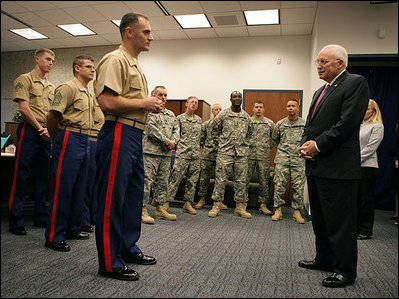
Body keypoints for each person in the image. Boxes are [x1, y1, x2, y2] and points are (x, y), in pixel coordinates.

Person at [94, 13, 162, 281]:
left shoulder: (134, 64)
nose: (151, 37)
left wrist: (147, 106)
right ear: (129, 32)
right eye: (146, 32)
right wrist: (144, 103)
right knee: (112, 200)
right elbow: (107, 102)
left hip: (134, 135)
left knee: (133, 199)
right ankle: (110, 262)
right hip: (118, 132)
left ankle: (127, 248)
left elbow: (128, 101)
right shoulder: (115, 60)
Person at [298, 44, 369, 288]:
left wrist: (317, 146)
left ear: (341, 64)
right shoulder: (320, 91)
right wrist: (304, 145)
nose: (319, 65)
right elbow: (309, 125)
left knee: (340, 222)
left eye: (325, 62)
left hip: (339, 168)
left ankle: (344, 270)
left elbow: (346, 123)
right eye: (318, 61)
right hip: (317, 166)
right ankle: (325, 259)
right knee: (320, 219)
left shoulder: (355, 83)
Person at [45, 56, 96, 252]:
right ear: (77, 68)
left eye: (93, 67)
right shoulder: (67, 88)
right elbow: (52, 116)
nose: (93, 70)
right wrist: (56, 138)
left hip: (86, 140)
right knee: (63, 188)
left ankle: (72, 228)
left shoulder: (88, 93)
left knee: (80, 188)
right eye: (89, 66)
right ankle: (54, 236)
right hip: (69, 137)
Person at [8, 48, 55, 235]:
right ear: (37, 59)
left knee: (44, 176)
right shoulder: (24, 79)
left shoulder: (51, 87)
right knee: (22, 175)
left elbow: (52, 112)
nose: (51, 63)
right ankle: (16, 220)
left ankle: (40, 216)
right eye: (48, 59)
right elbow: (24, 109)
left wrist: (50, 131)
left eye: (53, 60)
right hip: (30, 131)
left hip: (46, 134)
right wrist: (39, 128)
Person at [208, 91, 253, 219]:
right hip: (225, 152)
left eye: (239, 97)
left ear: (242, 99)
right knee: (220, 179)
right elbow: (213, 129)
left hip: (241, 154)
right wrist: (220, 145)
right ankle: (216, 206)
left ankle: (240, 208)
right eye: (235, 97)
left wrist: (244, 146)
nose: (237, 99)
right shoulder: (223, 115)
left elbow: (250, 133)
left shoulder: (246, 116)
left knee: (241, 181)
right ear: (230, 99)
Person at [142, 85, 179, 223]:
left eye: (165, 95)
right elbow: (151, 130)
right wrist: (166, 141)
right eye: (160, 95)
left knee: (163, 182)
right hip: (150, 152)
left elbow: (177, 130)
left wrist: (172, 142)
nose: (163, 98)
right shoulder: (148, 112)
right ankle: (142, 209)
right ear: (153, 95)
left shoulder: (170, 114)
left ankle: (159, 209)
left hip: (165, 154)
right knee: (146, 182)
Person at [271, 99, 306, 223]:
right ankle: (278, 210)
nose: (290, 108)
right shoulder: (280, 124)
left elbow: (308, 140)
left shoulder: (304, 124)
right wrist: (283, 151)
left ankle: (297, 211)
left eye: (293, 106)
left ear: (298, 108)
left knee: (298, 185)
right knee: (279, 184)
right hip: (282, 158)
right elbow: (274, 140)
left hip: (298, 159)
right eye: (288, 106)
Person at [167, 96, 202, 215]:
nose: (194, 104)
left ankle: (188, 203)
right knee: (175, 178)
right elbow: (175, 135)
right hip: (183, 153)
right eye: (192, 102)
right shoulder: (179, 119)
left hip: (195, 155)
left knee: (192, 180)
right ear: (186, 104)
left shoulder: (199, 120)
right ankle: (166, 201)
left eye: (196, 103)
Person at [357, 99, 384, 240]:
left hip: (367, 166)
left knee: (365, 199)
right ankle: (356, 227)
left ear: (373, 111)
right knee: (355, 199)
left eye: (366, 109)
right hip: (355, 166)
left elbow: (370, 148)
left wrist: (354, 161)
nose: (363, 111)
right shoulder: (359, 125)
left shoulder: (377, 126)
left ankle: (365, 230)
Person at [81, 80, 105, 233]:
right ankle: (84, 219)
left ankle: (94, 215)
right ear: (95, 85)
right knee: (87, 182)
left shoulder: (106, 101)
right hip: (90, 140)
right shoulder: (89, 99)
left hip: (103, 143)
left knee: (98, 183)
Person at [247, 100, 276, 215]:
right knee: (245, 180)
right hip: (249, 155)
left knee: (264, 181)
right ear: (253, 109)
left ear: (264, 109)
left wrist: (267, 147)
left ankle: (263, 205)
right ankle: (242, 203)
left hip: (263, 157)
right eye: (256, 107)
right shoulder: (248, 122)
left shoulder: (269, 123)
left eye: (260, 107)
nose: (258, 109)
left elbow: (275, 138)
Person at [195, 103, 225, 210]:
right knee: (204, 177)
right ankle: (201, 199)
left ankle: (218, 201)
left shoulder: (225, 125)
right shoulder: (206, 124)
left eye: (220, 109)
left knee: (220, 178)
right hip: (208, 153)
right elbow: (201, 140)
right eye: (216, 109)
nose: (219, 111)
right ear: (212, 112)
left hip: (221, 154)